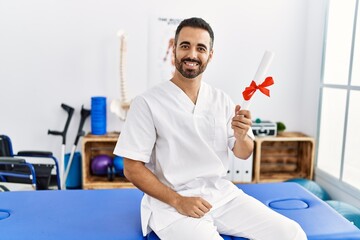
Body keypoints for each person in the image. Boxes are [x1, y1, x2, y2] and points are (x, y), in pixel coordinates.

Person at [114, 17, 307, 240]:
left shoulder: (221, 100)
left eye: (201, 48)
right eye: (185, 46)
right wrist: (178, 201)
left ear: (210, 55)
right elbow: (131, 168)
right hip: (172, 206)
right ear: (174, 48)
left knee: (291, 233)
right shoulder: (147, 103)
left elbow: (243, 152)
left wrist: (242, 135)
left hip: (222, 197)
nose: (192, 55)